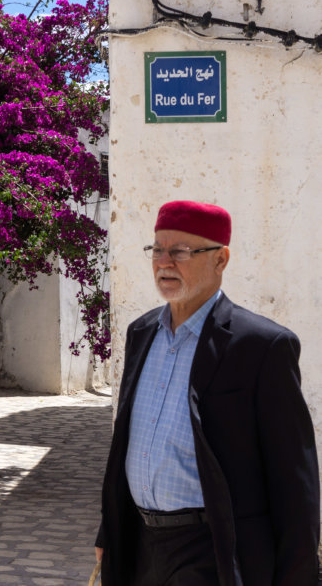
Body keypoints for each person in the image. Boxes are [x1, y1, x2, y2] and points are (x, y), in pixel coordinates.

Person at [94, 200, 320, 585]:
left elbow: (294, 480)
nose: (164, 262)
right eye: (158, 249)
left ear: (221, 259)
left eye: (180, 251)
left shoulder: (262, 347)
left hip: (212, 547)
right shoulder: (141, 333)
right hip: (140, 546)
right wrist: (109, 530)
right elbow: (126, 446)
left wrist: (300, 574)